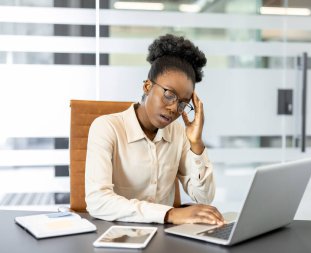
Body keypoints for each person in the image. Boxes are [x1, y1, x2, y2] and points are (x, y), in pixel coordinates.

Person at [85, 34, 224, 225]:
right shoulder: (106, 128)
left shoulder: (178, 135)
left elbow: (204, 197)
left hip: (164, 239)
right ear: (147, 86)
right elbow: (97, 201)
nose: (174, 108)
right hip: (115, 236)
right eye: (169, 95)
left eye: (183, 103)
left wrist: (196, 144)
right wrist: (169, 214)